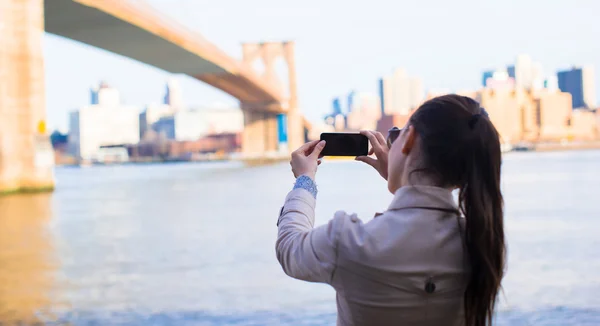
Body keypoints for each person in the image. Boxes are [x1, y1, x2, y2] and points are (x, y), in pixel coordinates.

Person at [276, 94, 505, 326]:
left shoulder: (348, 241)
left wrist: (305, 180)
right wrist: (403, 177)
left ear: (409, 139)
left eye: (396, 134)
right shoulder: (482, 243)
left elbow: (289, 248)